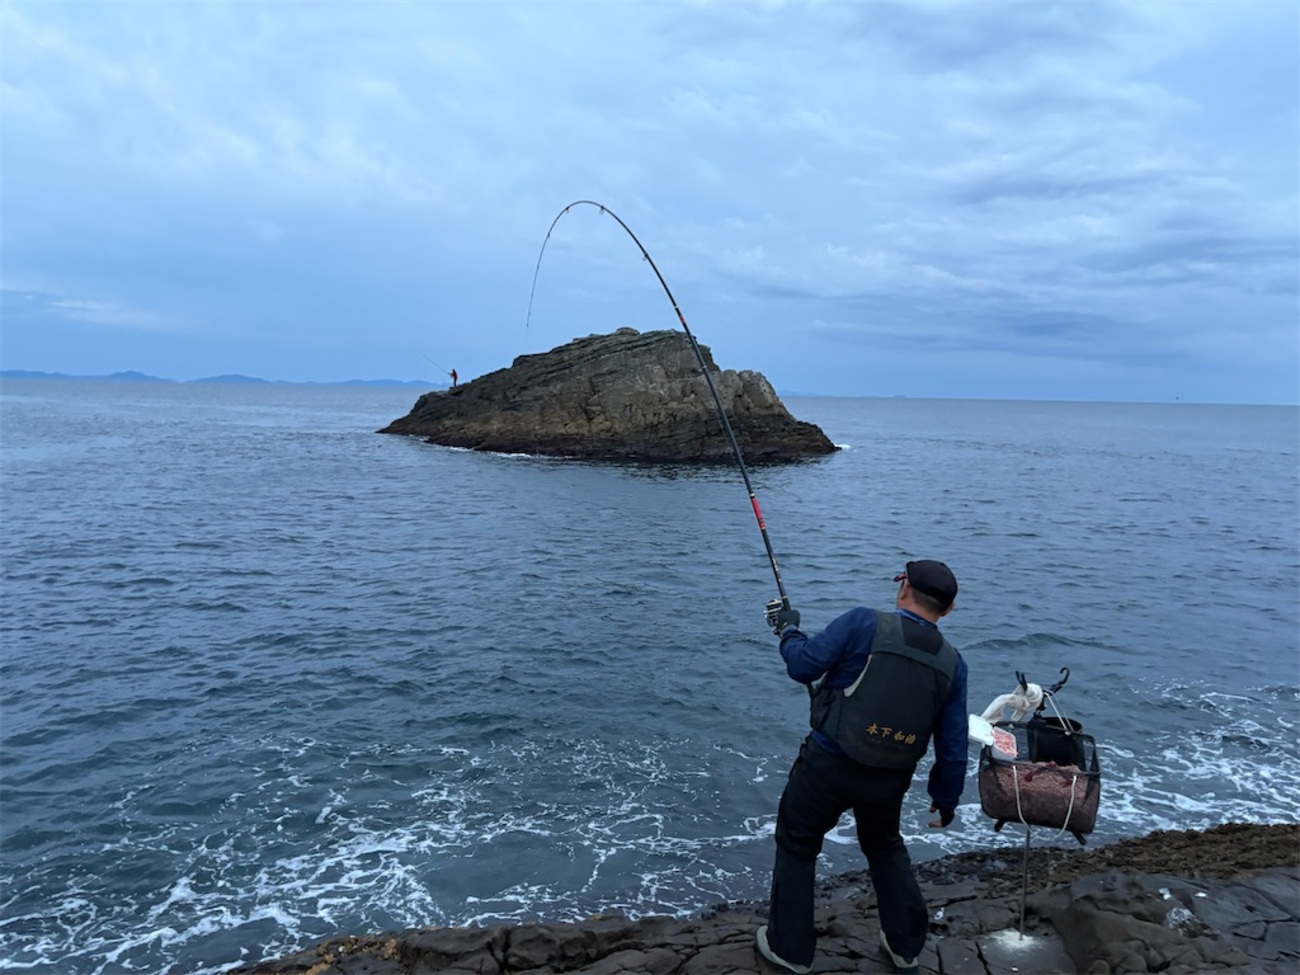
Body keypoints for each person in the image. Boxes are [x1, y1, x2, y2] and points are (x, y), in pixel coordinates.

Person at [754, 560, 969, 975]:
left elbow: (803, 665)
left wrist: (787, 630)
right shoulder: (953, 664)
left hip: (828, 765)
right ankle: (905, 946)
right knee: (884, 846)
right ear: (949, 609)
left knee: (798, 844)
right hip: (889, 778)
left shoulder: (863, 623)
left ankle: (790, 950)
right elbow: (953, 742)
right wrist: (945, 799)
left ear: (903, 589)